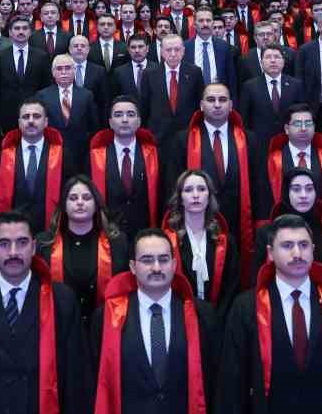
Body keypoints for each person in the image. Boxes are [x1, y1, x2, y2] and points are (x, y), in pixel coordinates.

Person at [0, 210, 92, 414]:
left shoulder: (61, 300)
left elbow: (76, 377)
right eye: (4, 244)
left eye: (22, 243)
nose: (13, 252)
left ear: (34, 247)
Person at [216, 212, 322, 414]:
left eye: (304, 245)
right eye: (287, 246)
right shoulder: (246, 307)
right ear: (270, 252)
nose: (297, 254)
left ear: (313, 250)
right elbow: (232, 385)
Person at [92, 227, 218, 414]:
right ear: (133, 267)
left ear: (174, 265)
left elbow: (214, 382)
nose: (157, 268)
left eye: (163, 259)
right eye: (147, 260)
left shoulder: (202, 315)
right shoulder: (107, 317)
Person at [164, 81, 255, 273]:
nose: (217, 105)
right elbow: (173, 186)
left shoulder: (248, 139)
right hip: (197, 221)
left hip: (239, 222)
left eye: (222, 100)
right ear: (201, 105)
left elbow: (258, 184)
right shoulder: (183, 139)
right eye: (211, 100)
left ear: (231, 105)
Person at [36, 173, 126, 322]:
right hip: (59, 323)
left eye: (86, 198)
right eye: (73, 198)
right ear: (64, 206)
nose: (79, 202)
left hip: (105, 323)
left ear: (96, 204)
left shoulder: (117, 242)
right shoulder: (44, 243)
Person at [162, 168, 239, 314]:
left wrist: (215, 319)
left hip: (218, 318)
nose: (195, 195)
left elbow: (231, 289)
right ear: (180, 198)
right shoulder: (167, 242)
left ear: (209, 196)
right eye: (188, 190)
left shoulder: (226, 242)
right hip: (180, 317)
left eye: (201, 189)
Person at [259, 169, 322, 292]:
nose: (303, 195)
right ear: (286, 192)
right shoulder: (267, 232)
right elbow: (259, 279)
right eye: (296, 189)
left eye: (309, 189)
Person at [89, 95, 161, 242]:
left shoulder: (154, 155)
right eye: (118, 115)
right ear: (110, 122)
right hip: (109, 235)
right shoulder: (95, 157)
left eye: (130, 114)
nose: (124, 119)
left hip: (145, 235)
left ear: (139, 121)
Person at [0, 98, 65, 232]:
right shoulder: (3, 157)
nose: (31, 121)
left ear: (46, 122)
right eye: (26, 117)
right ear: (19, 123)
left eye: (36, 116)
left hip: (51, 232)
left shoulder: (62, 155)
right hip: (13, 232)